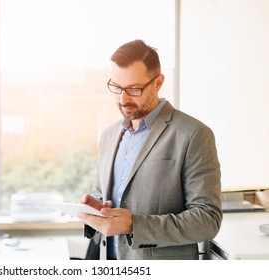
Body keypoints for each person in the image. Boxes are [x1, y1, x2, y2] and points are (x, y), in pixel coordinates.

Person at [78, 39, 222, 260]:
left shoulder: (193, 134)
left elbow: (207, 220)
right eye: (116, 87)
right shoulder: (109, 135)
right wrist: (96, 212)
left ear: (158, 83)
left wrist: (135, 225)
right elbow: (104, 196)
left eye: (134, 89)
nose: (123, 99)